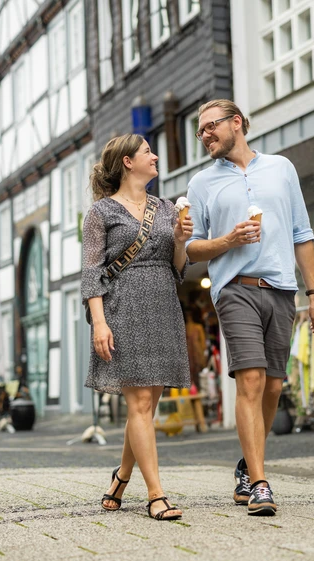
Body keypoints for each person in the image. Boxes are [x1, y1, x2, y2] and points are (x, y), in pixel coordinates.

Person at [185, 99, 314, 516]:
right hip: (235, 290)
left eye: (211, 126)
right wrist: (228, 241)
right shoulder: (201, 183)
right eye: (200, 131)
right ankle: (261, 484)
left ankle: (248, 467)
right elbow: (191, 250)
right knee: (250, 380)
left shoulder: (281, 168)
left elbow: (302, 233)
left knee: (274, 386)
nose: (205, 135)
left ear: (237, 123)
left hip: (282, 289)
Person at [82, 133, 193, 521]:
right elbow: (92, 272)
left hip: (162, 304)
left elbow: (179, 267)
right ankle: (156, 495)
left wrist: (180, 240)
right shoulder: (101, 213)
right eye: (148, 151)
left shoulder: (165, 208)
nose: (156, 155)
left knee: (146, 407)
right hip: (122, 308)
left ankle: (120, 478)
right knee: (140, 404)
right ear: (128, 162)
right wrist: (99, 322)